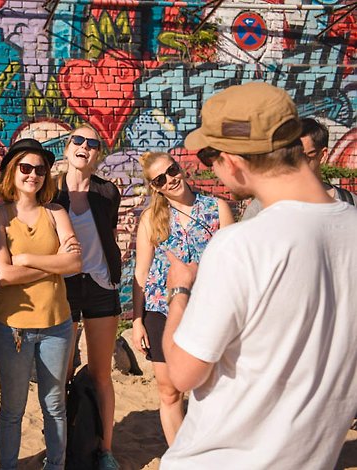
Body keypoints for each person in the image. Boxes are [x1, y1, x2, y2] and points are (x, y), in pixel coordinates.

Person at [160, 82, 357, 468]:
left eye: (208, 157)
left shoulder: (241, 244)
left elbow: (183, 374)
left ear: (233, 161)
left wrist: (179, 292)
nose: (212, 170)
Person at [0, 138, 82, 470]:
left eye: (40, 169)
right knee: (12, 409)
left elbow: (74, 264)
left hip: (57, 325)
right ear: (12, 172)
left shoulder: (56, 212)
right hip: (13, 328)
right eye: (26, 167)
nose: (33, 175)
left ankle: (55, 466)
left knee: (54, 405)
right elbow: (4, 275)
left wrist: (26, 257)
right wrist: (52, 261)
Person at [131, 152, 234, 446]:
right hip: (160, 310)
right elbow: (141, 271)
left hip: (207, 310)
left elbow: (230, 265)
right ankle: (179, 456)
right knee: (168, 390)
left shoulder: (217, 208)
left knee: (211, 388)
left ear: (180, 168)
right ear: (155, 187)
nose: (170, 180)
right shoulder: (152, 218)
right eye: (160, 179)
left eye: (172, 171)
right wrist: (137, 320)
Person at [53, 125, 122, 469]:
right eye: (77, 141)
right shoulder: (50, 192)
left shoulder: (107, 192)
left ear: (98, 154)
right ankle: (61, 447)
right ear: (67, 149)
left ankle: (105, 450)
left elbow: (107, 235)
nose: (84, 146)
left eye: (92, 144)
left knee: (101, 373)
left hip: (98, 286)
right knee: (60, 373)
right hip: (60, 287)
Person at [241, 117, 356, 219]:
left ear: (323, 155)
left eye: (302, 156)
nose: (294, 163)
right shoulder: (263, 206)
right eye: (288, 156)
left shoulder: (350, 202)